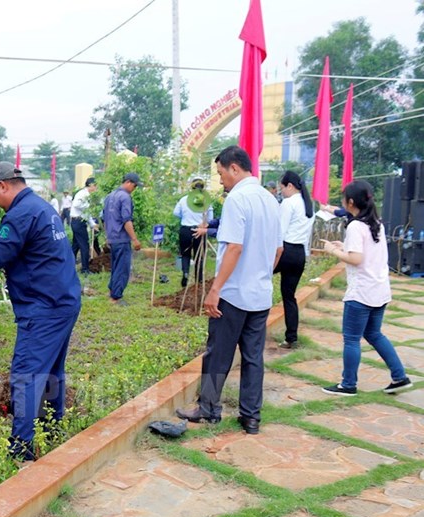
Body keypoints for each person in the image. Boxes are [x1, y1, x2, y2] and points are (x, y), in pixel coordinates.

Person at [0, 162, 81, 461]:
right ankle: (51, 428)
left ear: (3, 186)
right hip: (64, 301)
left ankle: (21, 448)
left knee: (25, 375)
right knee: (51, 371)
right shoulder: (42, 207)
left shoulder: (20, 214)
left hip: (43, 308)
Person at [176, 146, 282, 435]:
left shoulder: (238, 199)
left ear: (234, 168)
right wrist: (261, 276)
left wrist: (215, 289)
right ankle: (251, 417)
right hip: (260, 295)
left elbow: (234, 247)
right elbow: (278, 250)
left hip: (234, 295)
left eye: (221, 173)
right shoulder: (271, 200)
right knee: (252, 357)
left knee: (217, 353)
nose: (220, 180)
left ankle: (209, 408)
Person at [321, 181, 412, 396]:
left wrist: (332, 251)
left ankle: (348, 384)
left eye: (343, 199)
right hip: (379, 290)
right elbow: (366, 253)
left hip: (361, 293)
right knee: (374, 334)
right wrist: (344, 247)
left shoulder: (355, 226)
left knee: (352, 339)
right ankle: (399, 376)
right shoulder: (376, 223)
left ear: (350, 202)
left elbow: (356, 259)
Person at [274, 171, 314, 349]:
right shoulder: (308, 204)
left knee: (257, 278)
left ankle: (250, 329)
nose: (281, 191)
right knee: (289, 296)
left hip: (285, 250)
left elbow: (279, 233)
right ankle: (291, 337)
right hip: (299, 254)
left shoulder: (288, 203)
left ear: (289, 186)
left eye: (281, 188)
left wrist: (273, 258)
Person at [103, 172, 143, 305]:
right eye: (135, 186)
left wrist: (107, 236)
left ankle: (112, 291)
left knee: (115, 266)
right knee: (122, 268)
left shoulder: (109, 196)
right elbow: (127, 220)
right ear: (128, 182)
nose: (134, 189)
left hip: (112, 238)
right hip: (122, 238)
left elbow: (105, 218)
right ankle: (116, 297)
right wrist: (135, 239)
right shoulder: (125, 197)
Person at [173, 177, 214, 287]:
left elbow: (176, 213)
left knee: (185, 254)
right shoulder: (206, 201)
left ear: (192, 187)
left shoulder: (184, 199)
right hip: (199, 231)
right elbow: (210, 219)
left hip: (185, 230)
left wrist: (185, 216)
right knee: (199, 256)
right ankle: (199, 280)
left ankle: (185, 273)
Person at [70, 177, 99, 275]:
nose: (96, 188)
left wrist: (93, 224)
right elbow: (76, 204)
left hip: (78, 221)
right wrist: (88, 206)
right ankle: (85, 269)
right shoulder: (83, 194)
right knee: (84, 246)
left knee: (76, 245)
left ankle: (68, 265)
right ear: (90, 185)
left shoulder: (87, 195)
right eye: (95, 186)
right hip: (78, 222)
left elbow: (87, 213)